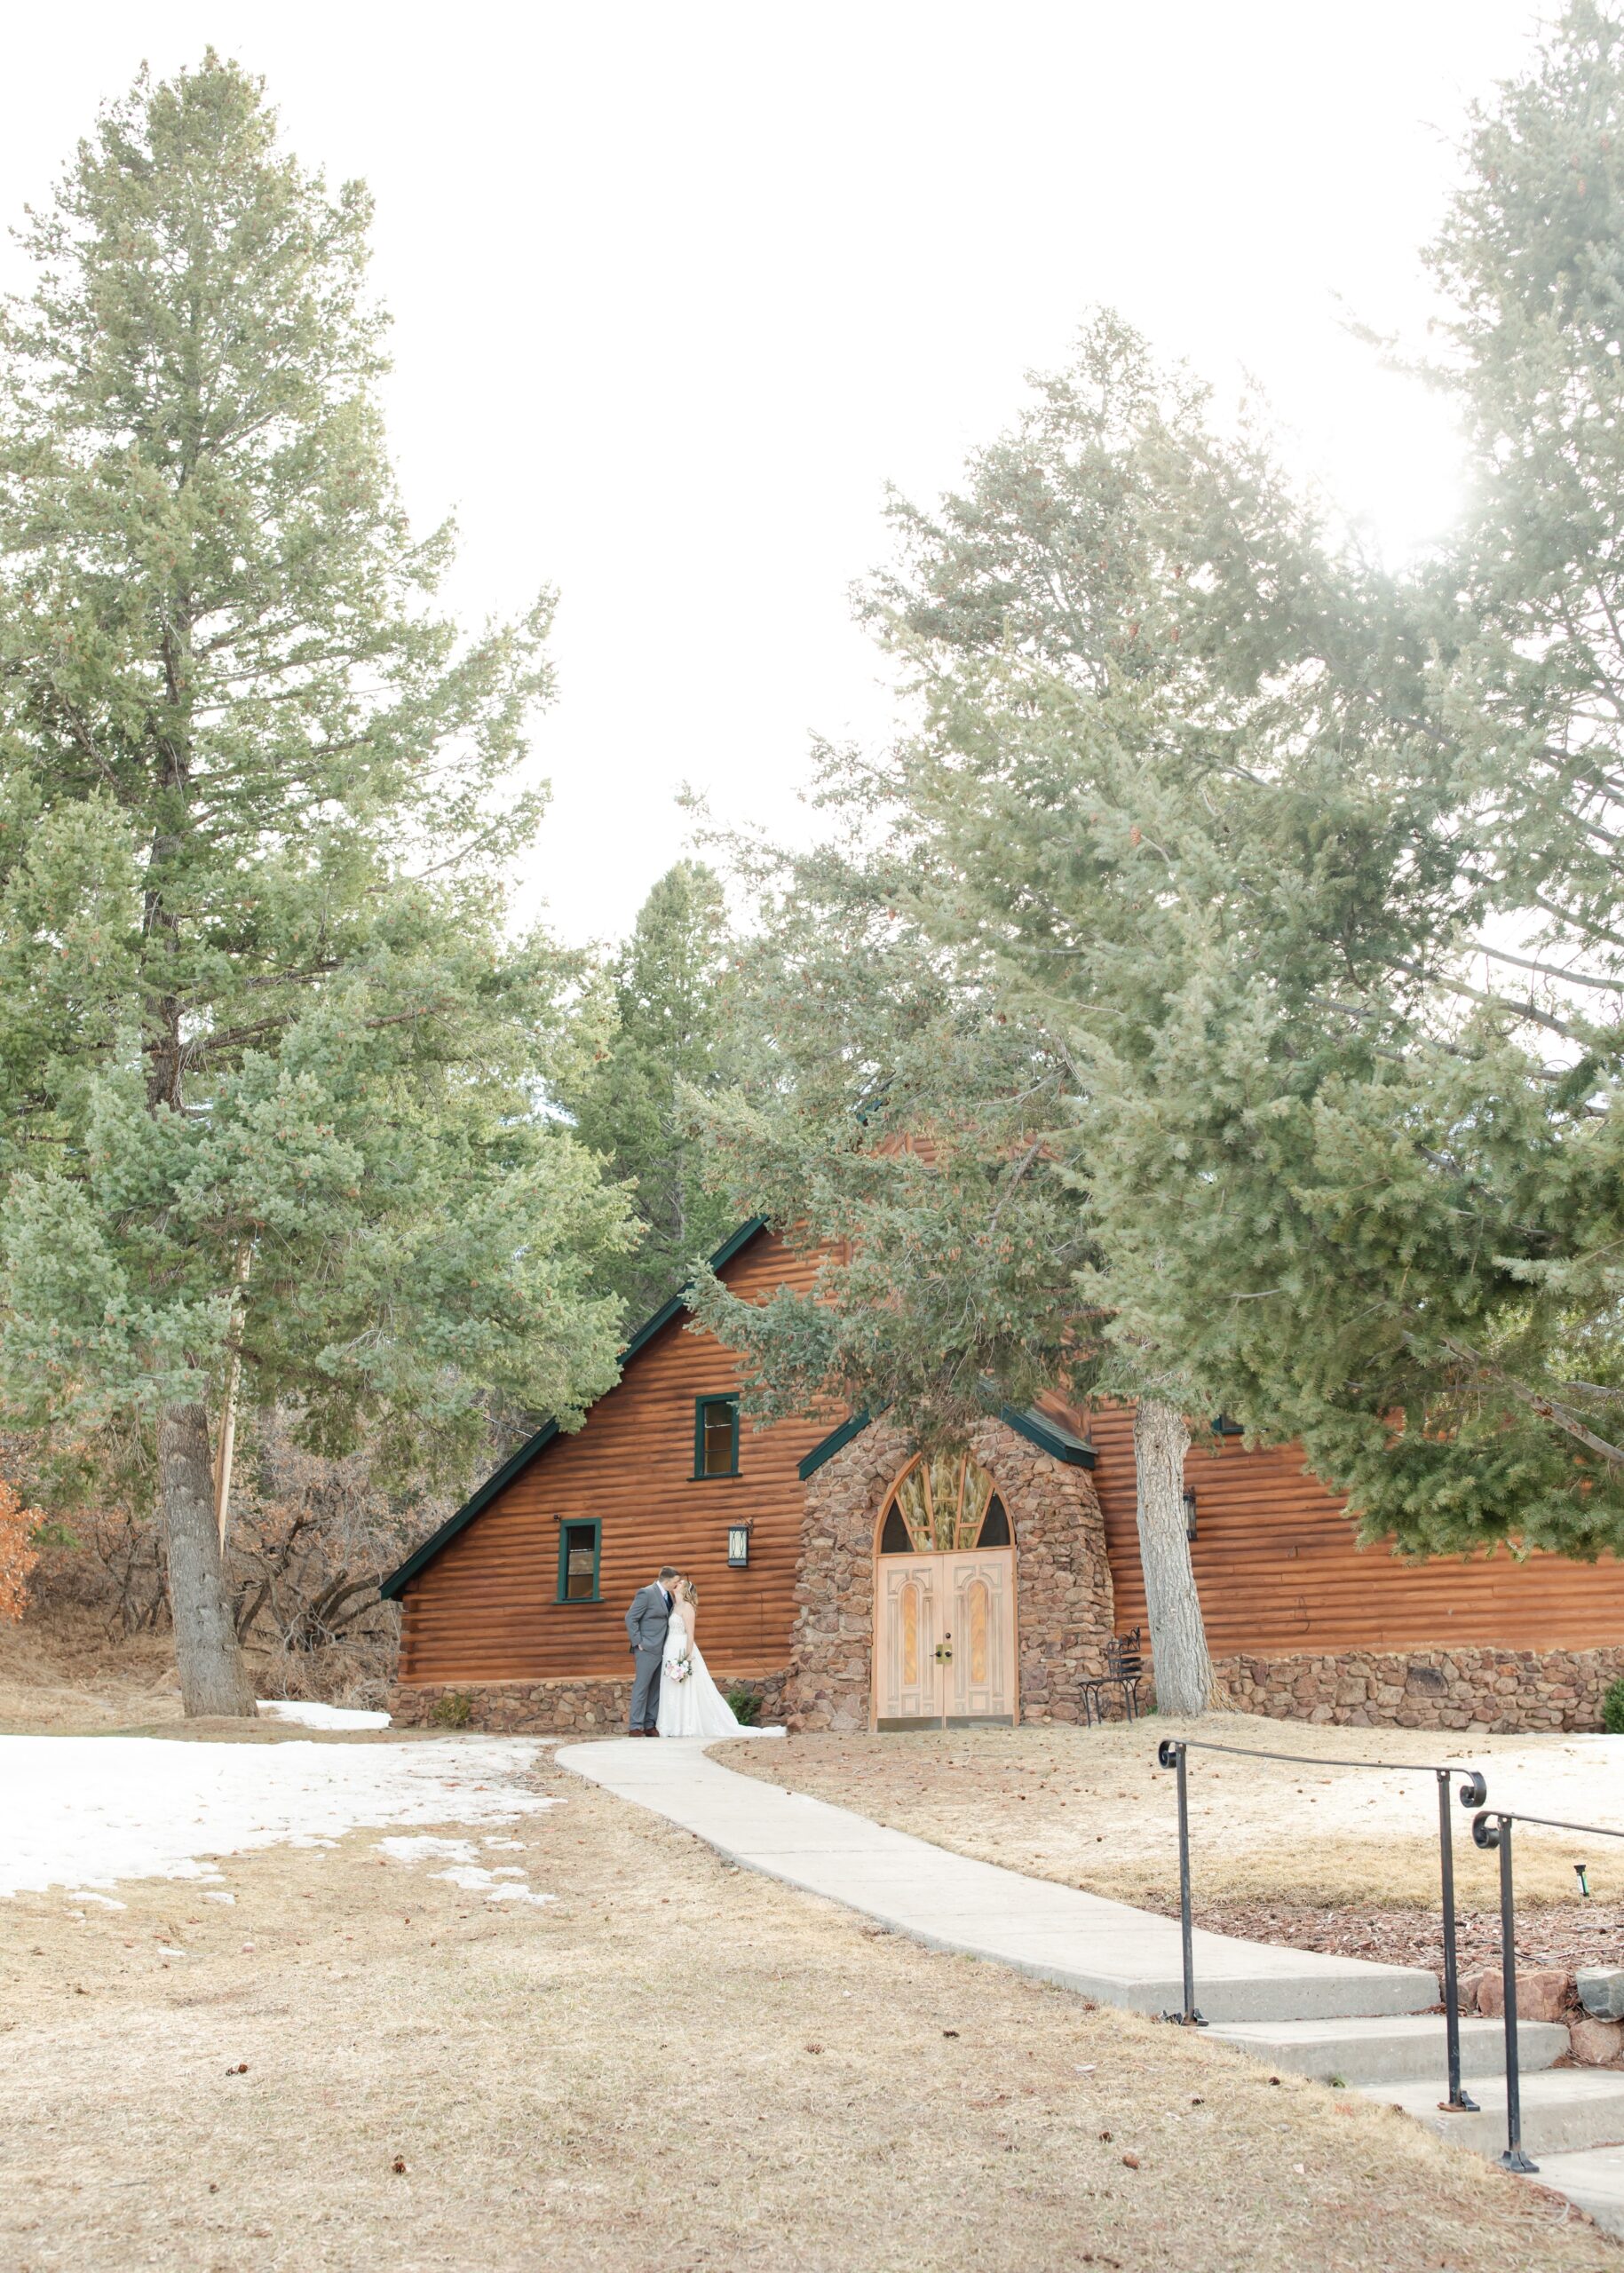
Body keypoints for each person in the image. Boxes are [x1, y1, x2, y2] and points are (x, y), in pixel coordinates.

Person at [655, 1579, 743, 1739]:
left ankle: (686, 1725)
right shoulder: (675, 1606)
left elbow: (690, 1634)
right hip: (670, 1648)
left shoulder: (688, 1607)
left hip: (682, 1647)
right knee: (671, 1685)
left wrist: (687, 1658)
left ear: (685, 1589)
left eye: (680, 1583)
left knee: (685, 1685)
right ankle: (672, 1724)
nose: (677, 1583)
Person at [625, 1566, 680, 1736]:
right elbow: (630, 1617)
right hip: (646, 1648)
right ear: (667, 1581)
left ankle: (650, 1724)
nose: (677, 1585)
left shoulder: (669, 1595)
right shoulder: (646, 1593)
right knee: (642, 1687)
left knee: (656, 1688)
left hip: (663, 1648)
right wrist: (638, 1642)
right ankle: (635, 1726)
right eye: (675, 1582)